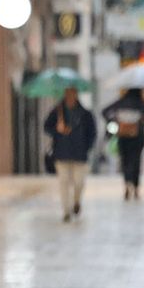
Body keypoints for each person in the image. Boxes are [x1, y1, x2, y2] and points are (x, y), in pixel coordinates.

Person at [43, 86, 97, 222]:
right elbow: (46, 127)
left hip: (80, 154)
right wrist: (57, 129)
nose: (70, 97)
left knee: (79, 182)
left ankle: (76, 201)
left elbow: (92, 132)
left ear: (76, 95)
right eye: (68, 94)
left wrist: (87, 147)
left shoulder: (85, 114)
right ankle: (66, 211)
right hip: (61, 153)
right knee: (63, 182)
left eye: (73, 94)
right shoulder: (57, 112)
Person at [102, 87, 144, 200]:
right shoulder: (141, 104)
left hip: (123, 136)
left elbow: (105, 111)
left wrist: (116, 120)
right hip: (138, 137)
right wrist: (140, 121)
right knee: (136, 161)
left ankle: (127, 184)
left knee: (125, 160)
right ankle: (135, 187)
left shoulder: (121, 102)